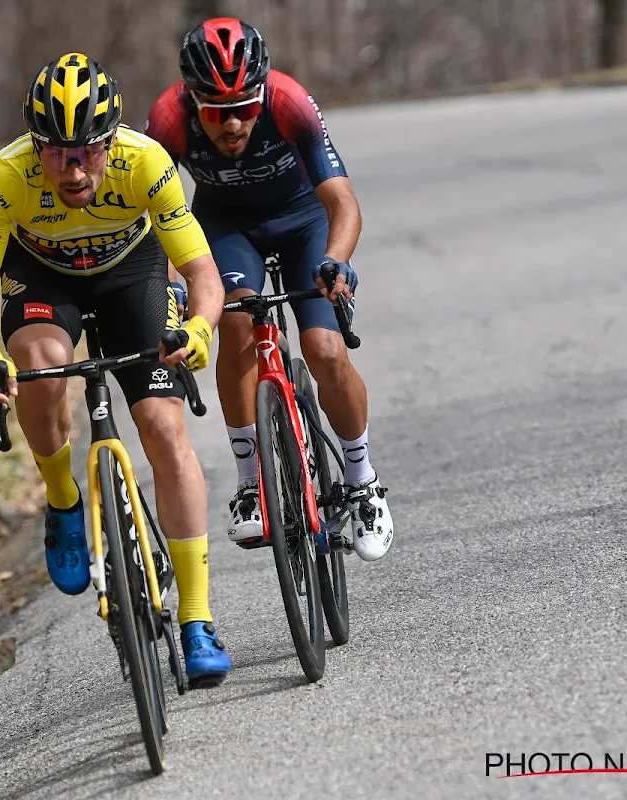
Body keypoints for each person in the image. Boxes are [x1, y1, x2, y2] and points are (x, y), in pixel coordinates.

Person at [0, 53, 232, 686]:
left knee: (164, 429)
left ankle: (196, 619)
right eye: (56, 152)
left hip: (134, 274)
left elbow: (202, 274)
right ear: (34, 145)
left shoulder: (145, 163)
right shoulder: (6, 175)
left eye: (87, 152)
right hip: (46, 279)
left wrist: (200, 327)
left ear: (110, 142)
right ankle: (63, 498)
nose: (73, 170)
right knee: (39, 365)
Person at [145, 18, 394, 562]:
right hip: (226, 228)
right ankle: (250, 481)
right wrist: (170, 292)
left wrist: (335, 262)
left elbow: (342, 203)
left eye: (244, 108)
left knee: (325, 350)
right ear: (192, 99)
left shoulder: (290, 100)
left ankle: (362, 479)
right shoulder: (167, 119)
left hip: (303, 220)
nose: (233, 124)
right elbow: (155, 221)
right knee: (233, 324)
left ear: (262, 94)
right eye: (217, 111)